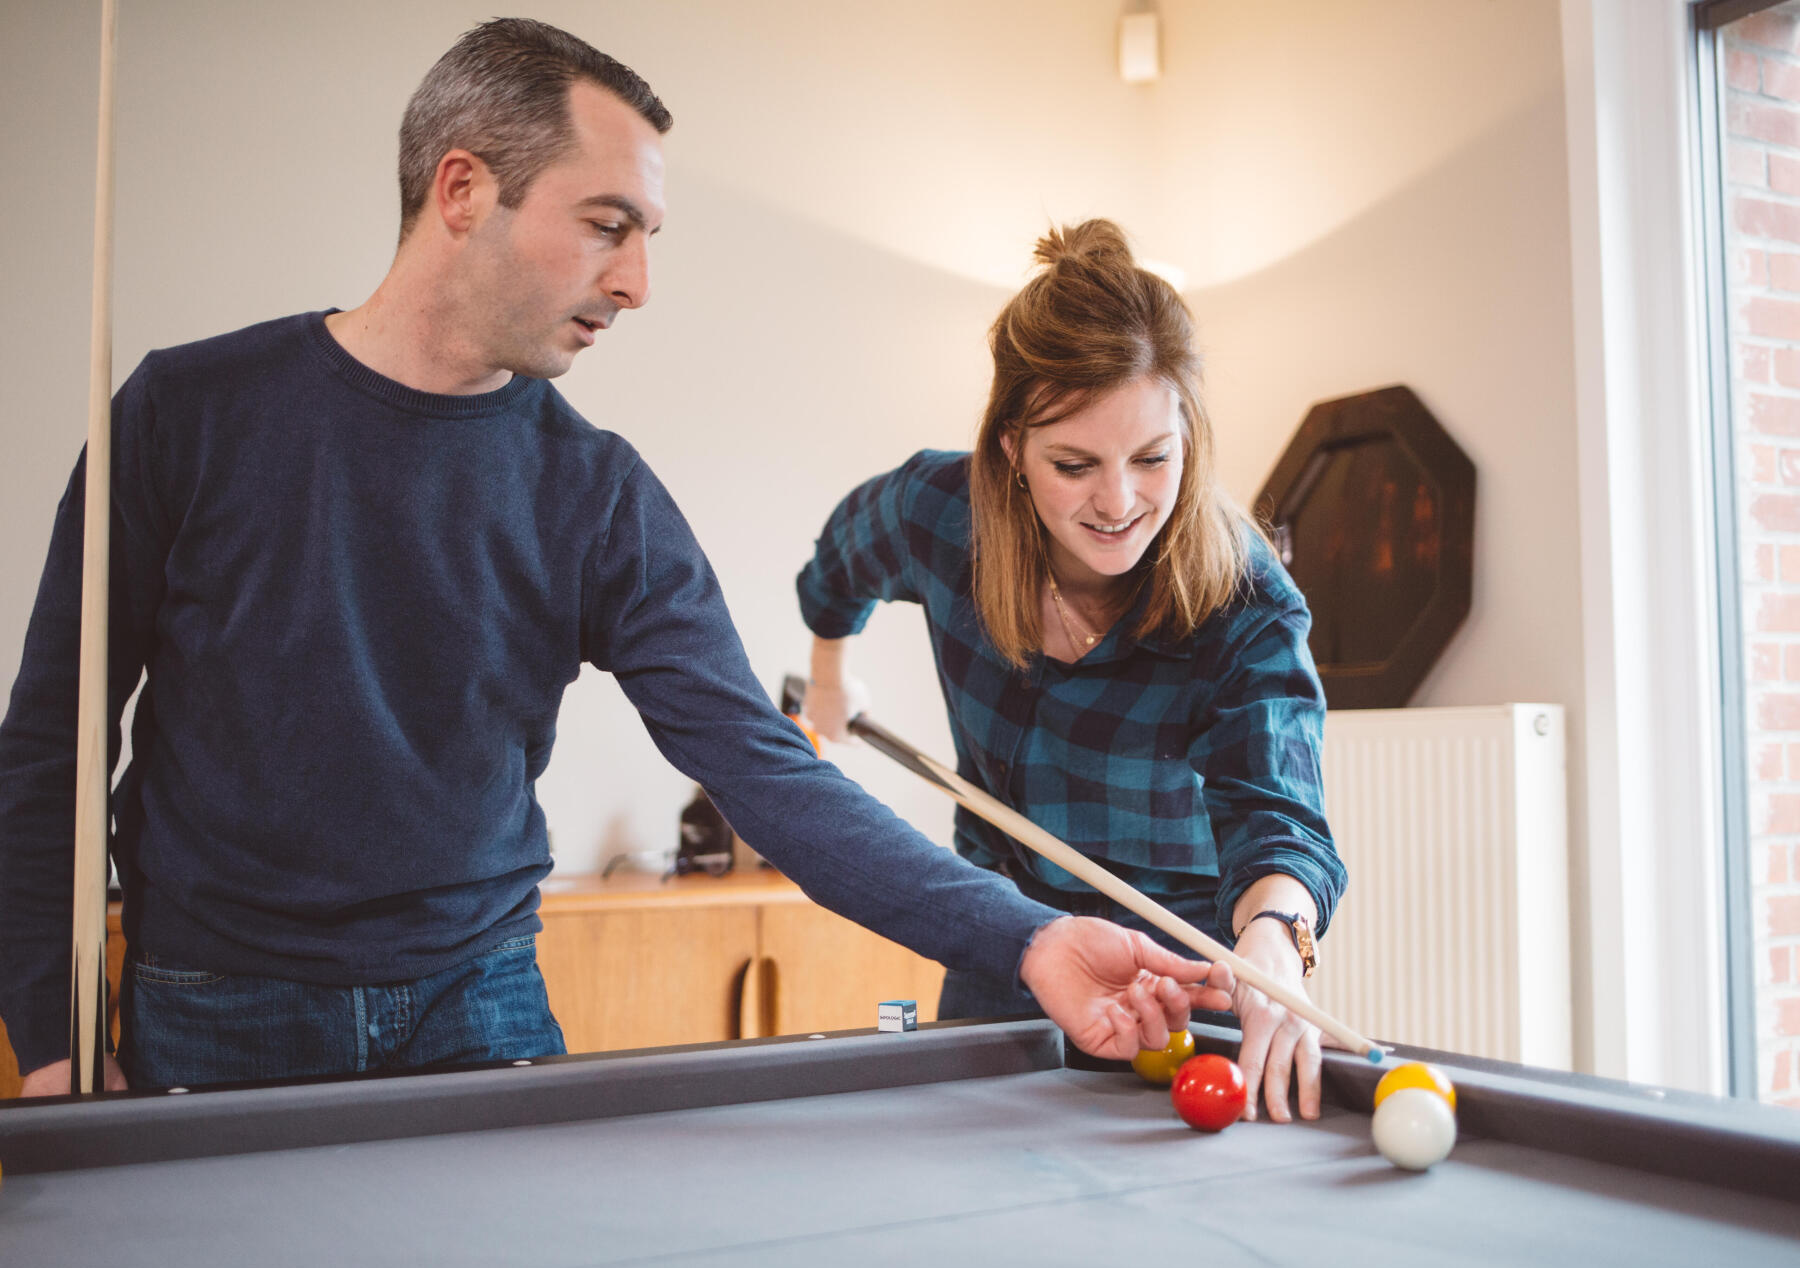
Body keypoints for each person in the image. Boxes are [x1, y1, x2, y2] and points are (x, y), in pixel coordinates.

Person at [0, 21, 1235, 1097]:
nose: (638, 283)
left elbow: (766, 773)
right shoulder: (184, 415)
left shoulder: (595, 493)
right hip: (213, 1009)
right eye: (607, 228)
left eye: (646, 236)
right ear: (464, 188)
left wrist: (1023, 937)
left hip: (477, 1010)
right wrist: (53, 1043)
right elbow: (50, 747)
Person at [798, 220, 1346, 1123]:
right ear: (1011, 447)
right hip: (1004, 939)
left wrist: (1275, 948)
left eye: (1152, 459)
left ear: (1188, 435)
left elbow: (1277, 810)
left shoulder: (1244, 598)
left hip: (1183, 970)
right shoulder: (938, 511)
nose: (1120, 502)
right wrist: (830, 675)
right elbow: (836, 569)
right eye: (1074, 464)